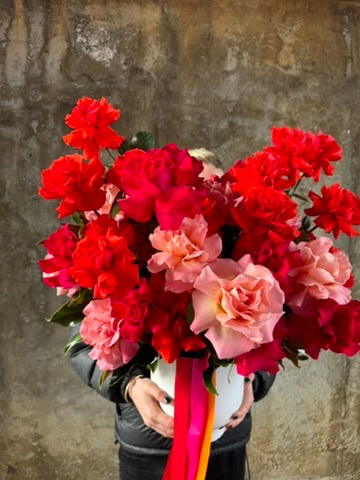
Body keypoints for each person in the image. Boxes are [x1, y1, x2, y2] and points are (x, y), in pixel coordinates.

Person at [68, 149, 276, 479]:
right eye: (191, 193)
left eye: (211, 191)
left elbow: (277, 333)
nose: (201, 204)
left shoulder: (248, 265)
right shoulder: (132, 258)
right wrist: (130, 386)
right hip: (147, 442)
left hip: (225, 438)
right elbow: (82, 347)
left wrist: (252, 378)